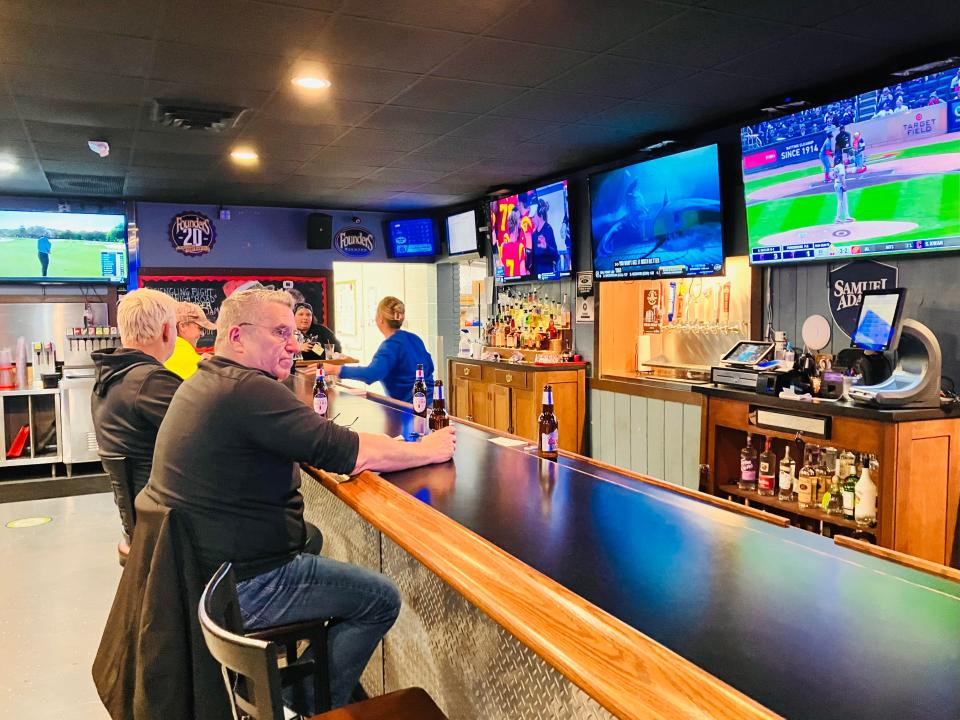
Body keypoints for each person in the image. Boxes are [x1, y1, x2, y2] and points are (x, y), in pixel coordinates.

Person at [144, 288, 456, 713]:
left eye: (292, 333)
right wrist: (429, 450)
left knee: (315, 543)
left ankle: (296, 689)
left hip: (210, 577)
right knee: (381, 598)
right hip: (249, 582)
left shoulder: (208, 379)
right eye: (279, 333)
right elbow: (351, 451)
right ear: (237, 336)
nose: (294, 343)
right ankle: (297, 704)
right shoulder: (248, 391)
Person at [91, 288, 182, 500]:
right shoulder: (151, 382)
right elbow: (204, 435)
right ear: (166, 330)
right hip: (168, 516)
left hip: (140, 513)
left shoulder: (110, 376)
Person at [325, 296, 434, 403]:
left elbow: (371, 374)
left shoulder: (390, 346)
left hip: (416, 409)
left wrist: (336, 369)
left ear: (380, 319)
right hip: (433, 402)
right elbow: (430, 367)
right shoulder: (415, 339)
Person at [164, 302, 215, 380]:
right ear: (183, 326)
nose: (202, 334)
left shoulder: (163, 353)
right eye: (200, 328)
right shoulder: (198, 364)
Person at [531, 198, 560, 279]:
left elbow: (556, 256)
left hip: (548, 278)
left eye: (533, 216)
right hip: (535, 279)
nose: (531, 219)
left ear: (540, 215)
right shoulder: (533, 234)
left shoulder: (548, 230)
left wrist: (546, 247)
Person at [498, 208, 528, 278]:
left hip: (507, 284)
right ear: (516, 225)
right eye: (519, 219)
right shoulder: (520, 247)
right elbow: (522, 272)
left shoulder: (502, 247)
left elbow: (500, 272)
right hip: (519, 284)